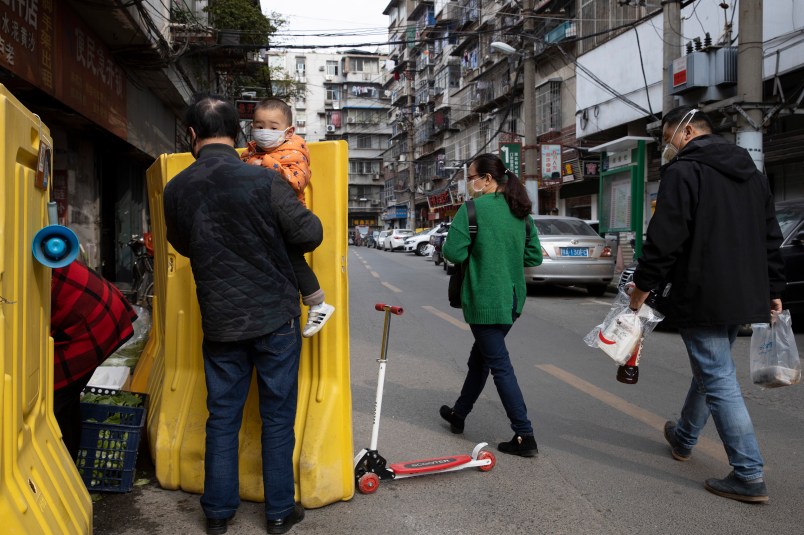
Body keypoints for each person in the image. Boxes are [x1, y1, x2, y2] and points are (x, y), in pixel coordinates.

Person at [164, 93, 322, 535]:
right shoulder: (265, 180)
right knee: (276, 417)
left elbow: (182, 245)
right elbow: (309, 235)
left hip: (220, 322)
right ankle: (278, 513)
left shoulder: (176, 188)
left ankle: (217, 516)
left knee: (223, 418)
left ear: (191, 135)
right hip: (274, 319)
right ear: (239, 133)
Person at [629, 106, 786, 504]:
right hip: (745, 291)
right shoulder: (752, 174)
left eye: (667, 140)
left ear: (684, 132)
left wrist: (641, 288)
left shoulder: (684, 172)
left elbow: (664, 238)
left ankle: (749, 473)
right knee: (712, 368)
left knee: (716, 375)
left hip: (704, 290)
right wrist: (773, 287)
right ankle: (683, 437)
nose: (668, 148)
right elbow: (771, 234)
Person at [439, 153, 543, 457]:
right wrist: (506, 258)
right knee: (481, 359)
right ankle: (459, 414)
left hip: (484, 301)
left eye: (472, 177)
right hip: (511, 302)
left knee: (499, 366)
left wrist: (483, 257)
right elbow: (534, 257)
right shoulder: (521, 212)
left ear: (487, 179)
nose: (469, 183)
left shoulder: (472, 210)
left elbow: (454, 253)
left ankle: (525, 435)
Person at [241, 97, 334, 338]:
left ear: (288, 130)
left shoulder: (295, 150)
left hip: (286, 217)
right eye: (259, 126)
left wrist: (265, 163)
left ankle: (318, 303)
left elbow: (297, 180)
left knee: (293, 258)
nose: (264, 132)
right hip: (261, 218)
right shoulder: (251, 152)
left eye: (273, 127)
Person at [51, 259, 138, 460]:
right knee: (65, 404)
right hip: (93, 310)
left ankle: (62, 471)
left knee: (53, 406)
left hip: (91, 320)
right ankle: (69, 473)